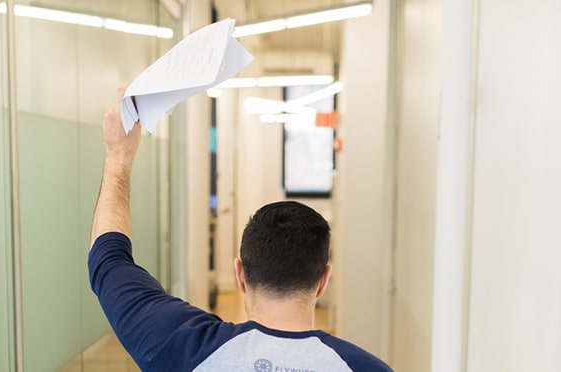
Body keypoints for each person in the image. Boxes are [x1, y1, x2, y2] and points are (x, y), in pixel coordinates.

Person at [89, 86, 394, 371]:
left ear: (240, 274)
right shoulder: (365, 367)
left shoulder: (187, 348)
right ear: (323, 280)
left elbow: (109, 261)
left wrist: (119, 154)